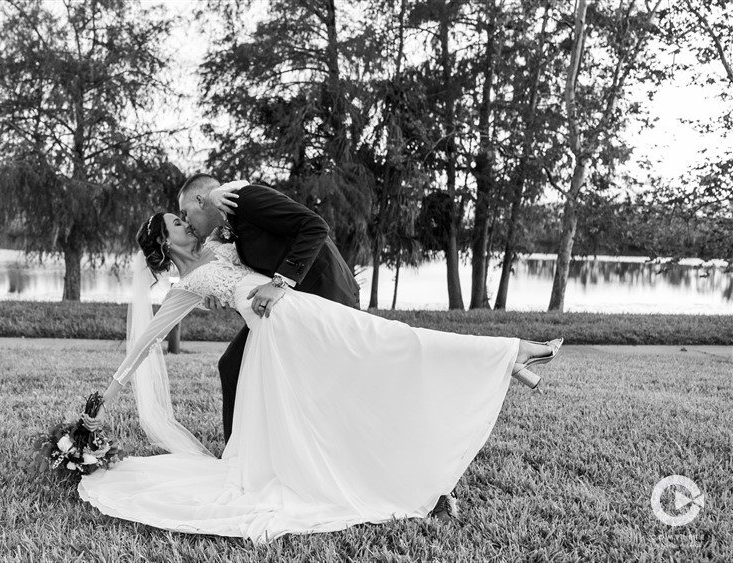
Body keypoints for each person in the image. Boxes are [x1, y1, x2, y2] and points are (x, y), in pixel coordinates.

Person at [77, 212, 562, 543]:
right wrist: (109, 396)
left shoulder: (219, 243)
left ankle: (506, 358)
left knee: (389, 342)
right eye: (176, 223)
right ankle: (510, 355)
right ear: (164, 243)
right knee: (387, 347)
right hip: (281, 335)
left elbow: (252, 220)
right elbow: (147, 340)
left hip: (300, 314)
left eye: (183, 217)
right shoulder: (189, 286)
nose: (186, 223)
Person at [177, 174, 361, 446]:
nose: (186, 223)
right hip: (292, 308)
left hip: (328, 296)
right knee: (232, 366)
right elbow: (253, 285)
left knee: (325, 388)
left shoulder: (246, 200)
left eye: (184, 212)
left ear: (201, 199)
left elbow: (315, 226)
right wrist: (223, 296)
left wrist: (279, 282)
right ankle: (237, 456)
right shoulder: (233, 233)